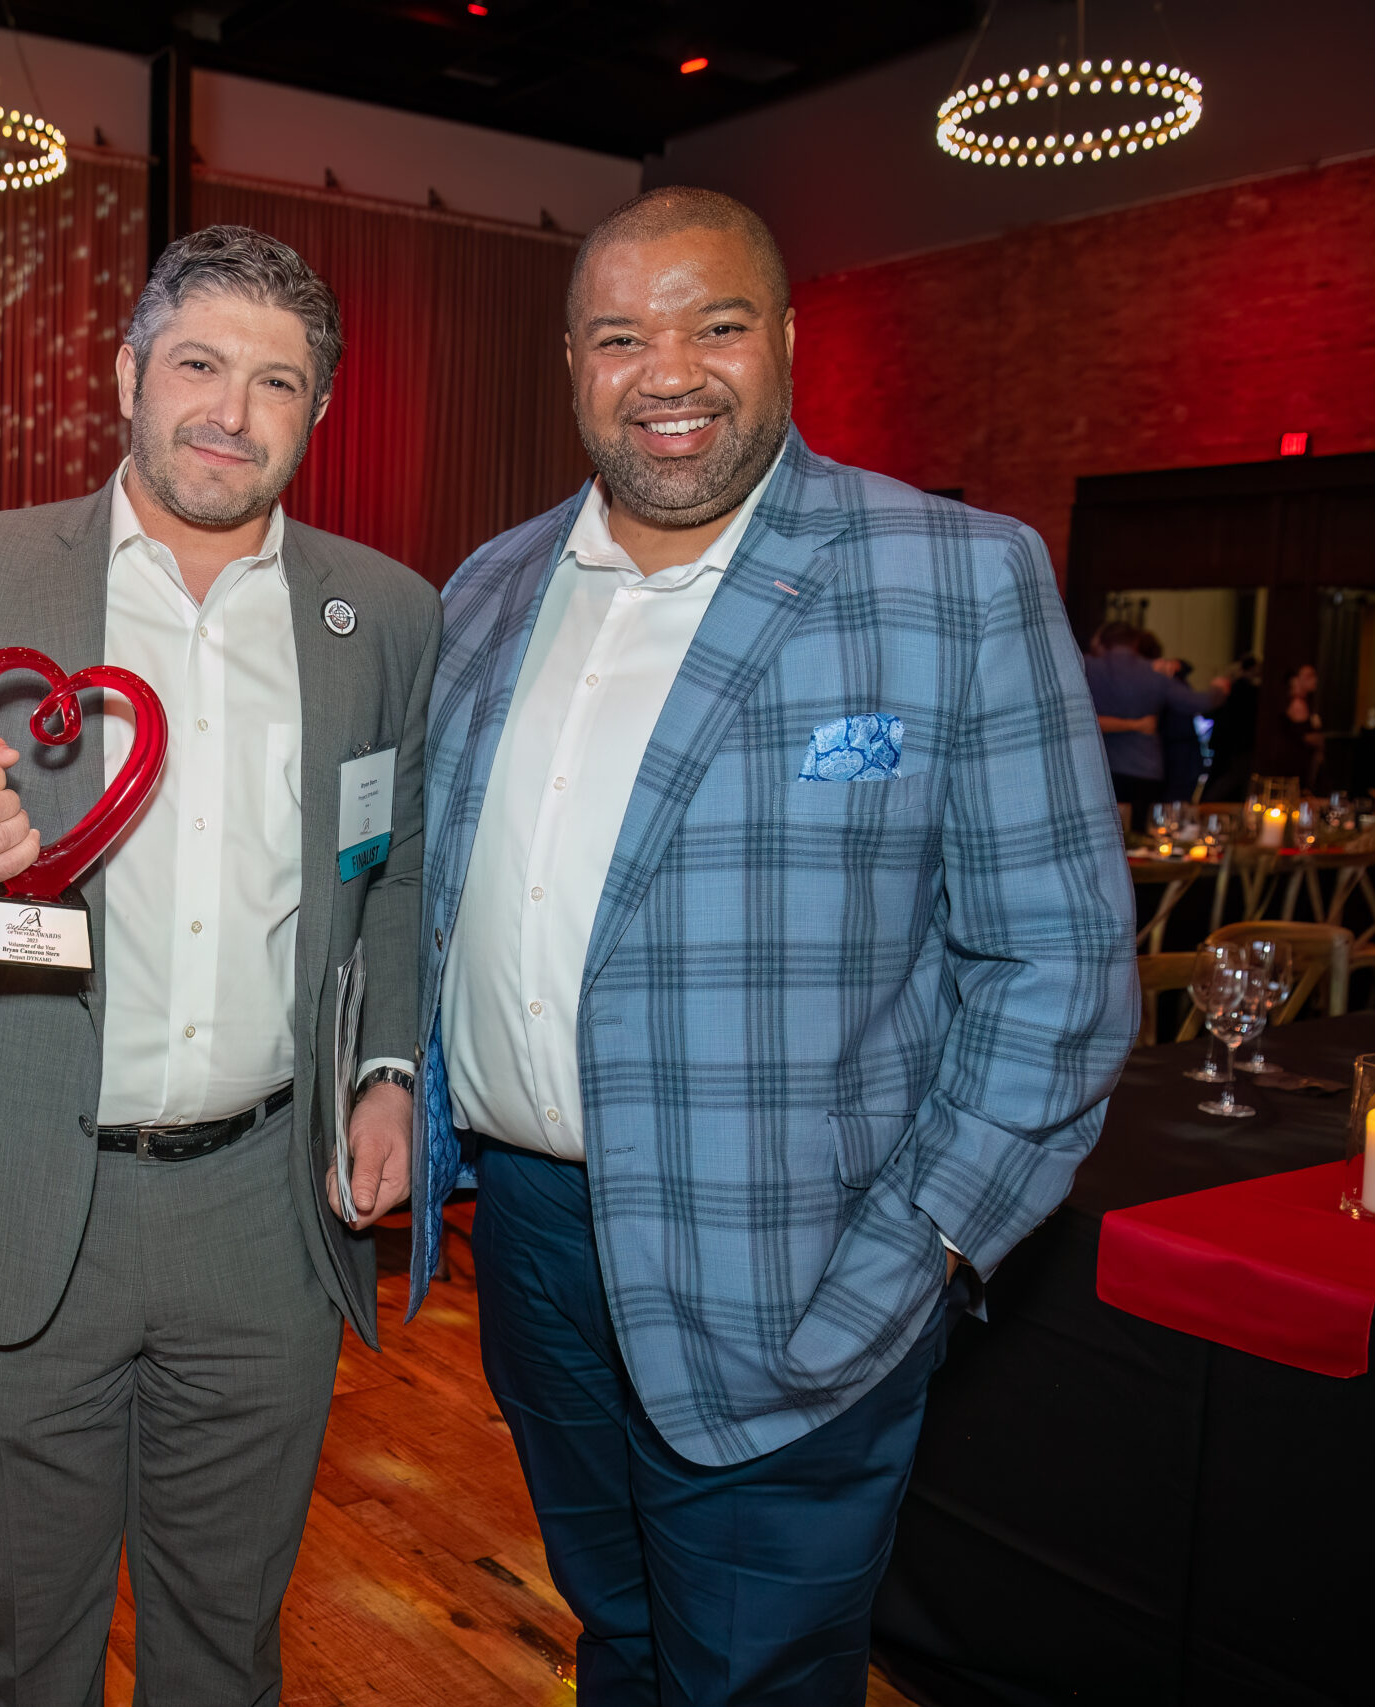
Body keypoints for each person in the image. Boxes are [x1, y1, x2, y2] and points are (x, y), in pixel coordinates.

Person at [408, 187, 1137, 1702]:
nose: (667, 373)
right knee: (616, 1633)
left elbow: (1059, 969)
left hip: (801, 1256)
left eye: (715, 326)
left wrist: (929, 1240)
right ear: (570, 362)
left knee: (756, 1678)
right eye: (621, 336)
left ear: (788, 340)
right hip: (532, 1238)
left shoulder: (953, 577)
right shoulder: (486, 591)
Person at [0, 225, 437, 1703]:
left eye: (275, 381)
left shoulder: (384, 613)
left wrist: (391, 1068)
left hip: (267, 1212)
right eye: (199, 365)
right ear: (125, 376)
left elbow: (400, 868)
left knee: (225, 1641)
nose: (231, 410)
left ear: (318, 410)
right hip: (24, 1186)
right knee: (24, 1645)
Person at [1085, 620, 1224, 809]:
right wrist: (1219, 687)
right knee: (1141, 824)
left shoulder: (1088, 666)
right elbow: (1200, 703)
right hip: (1145, 766)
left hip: (1100, 767)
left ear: (1101, 640)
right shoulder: (1154, 671)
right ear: (1135, 642)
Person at [1201, 653, 1260, 802]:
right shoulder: (1248, 690)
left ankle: (1205, 807)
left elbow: (1210, 712)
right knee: (1228, 780)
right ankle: (1206, 807)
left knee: (1220, 778)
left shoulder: (1231, 688)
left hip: (1226, 742)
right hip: (1237, 744)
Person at [1153, 650, 1207, 802]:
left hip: (1180, 746)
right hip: (1173, 745)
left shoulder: (1176, 687)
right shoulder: (1170, 686)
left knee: (1177, 791)